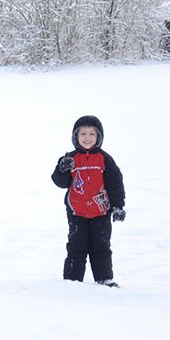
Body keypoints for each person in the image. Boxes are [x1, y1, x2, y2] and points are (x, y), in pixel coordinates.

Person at [51, 115, 125, 287]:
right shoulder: (70, 158)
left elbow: (115, 183)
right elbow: (60, 182)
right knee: (77, 246)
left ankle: (105, 278)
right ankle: (72, 280)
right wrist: (62, 169)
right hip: (77, 212)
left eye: (92, 134)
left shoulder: (104, 159)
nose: (87, 138)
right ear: (75, 136)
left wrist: (118, 206)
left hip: (101, 211)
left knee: (101, 246)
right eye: (83, 134)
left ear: (98, 137)